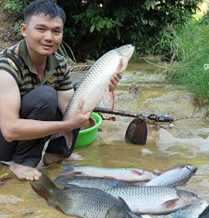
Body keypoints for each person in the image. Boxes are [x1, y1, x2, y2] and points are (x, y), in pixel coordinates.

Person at [0, 0, 120, 181]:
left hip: (23, 127)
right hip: (4, 136)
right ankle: (20, 162)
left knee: (79, 97)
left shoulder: (59, 63)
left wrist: (103, 88)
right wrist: (65, 126)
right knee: (46, 96)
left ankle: (53, 155)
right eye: (41, 29)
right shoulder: (6, 66)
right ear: (24, 30)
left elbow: (71, 111)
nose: (49, 37)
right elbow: (10, 130)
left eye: (56, 31)